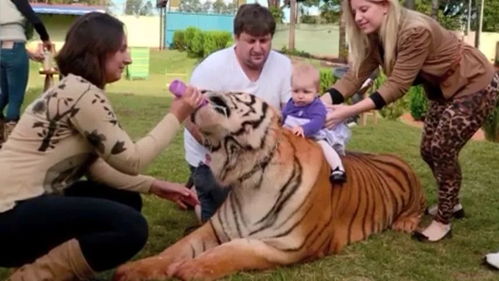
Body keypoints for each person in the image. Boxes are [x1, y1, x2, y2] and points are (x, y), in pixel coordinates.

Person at [0, 12, 202, 281]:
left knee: (125, 200)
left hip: (20, 209)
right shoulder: (82, 93)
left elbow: (97, 169)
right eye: (122, 50)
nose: (128, 59)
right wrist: (177, 114)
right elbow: (132, 160)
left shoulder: (75, 88)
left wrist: (155, 186)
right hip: (8, 216)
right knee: (130, 227)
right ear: (99, 51)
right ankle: (33, 276)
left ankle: (50, 263)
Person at [321, 0, 498, 242]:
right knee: (427, 150)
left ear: (385, 5)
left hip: (474, 82)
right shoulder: (375, 36)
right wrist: (318, 104)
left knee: (442, 148)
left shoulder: (414, 30)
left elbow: (397, 86)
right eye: (354, 12)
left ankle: (443, 221)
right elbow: (354, 77)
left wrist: (347, 111)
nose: (358, 17)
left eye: (364, 9)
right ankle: (452, 203)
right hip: (442, 89)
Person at [184, 3, 292, 223]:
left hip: (263, 154)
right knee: (223, 222)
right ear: (236, 37)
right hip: (215, 155)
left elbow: (289, 112)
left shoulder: (283, 65)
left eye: (264, 40)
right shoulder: (212, 68)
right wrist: (222, 148)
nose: (259, 47)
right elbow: (188, 116)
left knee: (269, 216)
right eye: (251, 40)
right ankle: (199, 194)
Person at [282, 63, 349, 183]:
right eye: (296, 91)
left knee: (324, 146)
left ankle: (338, 168)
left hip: (313, 134)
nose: (300, 96)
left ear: (317, 92)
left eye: (306, 92)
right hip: (291, 132)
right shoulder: (291, 103)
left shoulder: (316, 106)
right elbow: (283, 116)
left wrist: (304, 129)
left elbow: (318, 122)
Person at [0, 0, 53, 146]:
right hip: (15, 50)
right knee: (15, 98)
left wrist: (28, 54)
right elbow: (35, 19)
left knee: (4, 95)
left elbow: (6, 42)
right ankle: (10, 142)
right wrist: (46, 39)